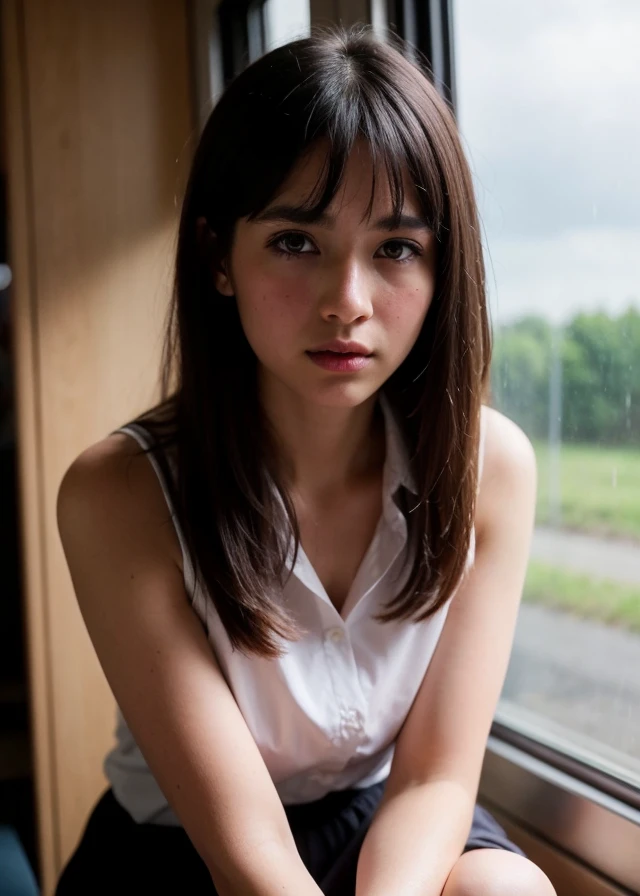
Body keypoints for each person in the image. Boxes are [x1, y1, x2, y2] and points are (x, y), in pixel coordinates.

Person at [54, 24, 556, 896]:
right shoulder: (119, 493)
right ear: (219, 257)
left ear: (442, 271)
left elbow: (436, 775)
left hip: (392, 819)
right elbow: (248, 856)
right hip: (189, 847)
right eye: (296, 243)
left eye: (396, 248)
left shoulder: (490, 466)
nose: (347, 303)